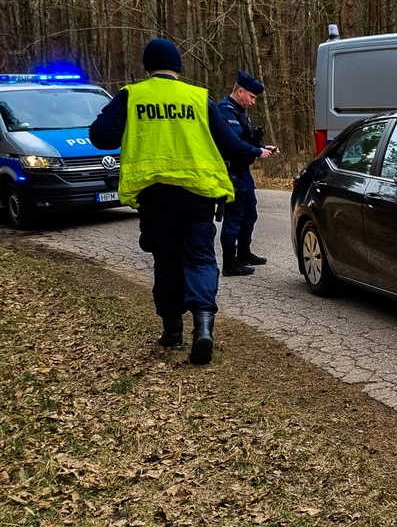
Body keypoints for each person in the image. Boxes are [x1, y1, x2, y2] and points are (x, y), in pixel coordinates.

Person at [89, 38, 271, 365]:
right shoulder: (198, 98)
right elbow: (230, 145)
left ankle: (173, 334)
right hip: (198, 196)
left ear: (147, 66)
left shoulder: (132, 96)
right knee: (201, 259)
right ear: (178, 67)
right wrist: (255, 151)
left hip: (156, 197)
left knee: (167, 262)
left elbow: (100, 136)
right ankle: (203, 327)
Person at [217, 71, 278, 276]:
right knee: (234, 217)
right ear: (240, 91)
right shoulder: (224, 111)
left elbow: (247, 140)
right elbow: (233, 145)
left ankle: (243, 253)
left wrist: (262, 147)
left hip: (243, 172)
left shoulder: (241, 111)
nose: (253, 102)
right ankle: (229, 262)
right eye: (251, 97)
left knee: (249, 214)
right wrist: (257, 152)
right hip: (231, 173)